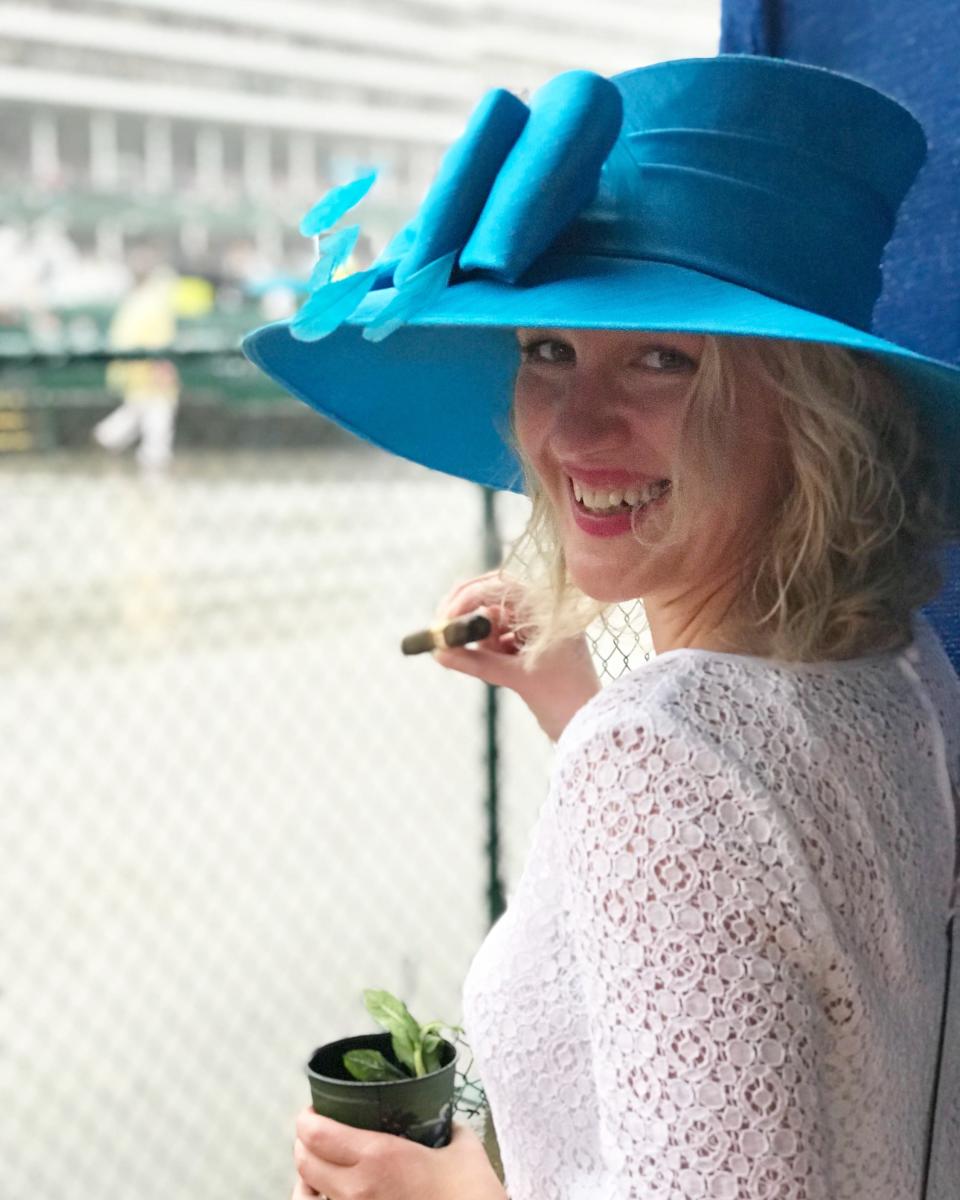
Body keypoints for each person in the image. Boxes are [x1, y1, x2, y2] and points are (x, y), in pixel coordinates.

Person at [244, 55, 960, 1200]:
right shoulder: (896, 664)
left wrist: (447, 1193)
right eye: (547, 350)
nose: (575, 426)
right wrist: (568, 693)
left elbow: (697, 810)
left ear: (816, 407)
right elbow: (777, 889)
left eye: (664, 359)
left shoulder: (661, 759)